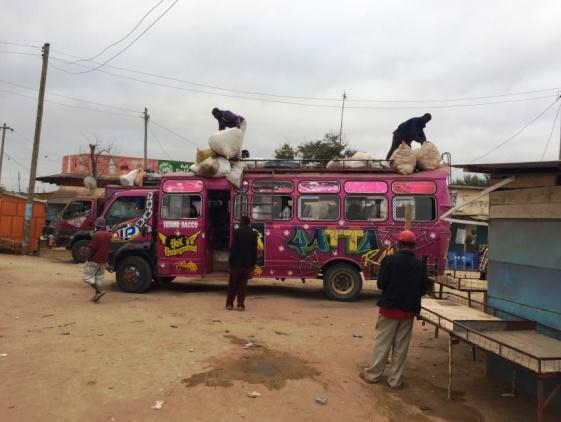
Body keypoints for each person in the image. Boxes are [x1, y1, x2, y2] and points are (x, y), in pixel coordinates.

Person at [359, 230, 427, 388]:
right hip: (408, 311)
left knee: (382, 343)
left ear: (398, 244)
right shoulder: (420, 266)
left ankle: (373, 375)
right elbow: (422, 290)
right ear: (413, 246)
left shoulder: (389, 261)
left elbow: (381, 284)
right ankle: (395, 381)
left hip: (389, 309)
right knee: (401, 347)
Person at [226, 215, 258, 311]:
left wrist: (230, 262)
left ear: (241, 222)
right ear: (249, 223)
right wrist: (252, 266)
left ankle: (230, 304)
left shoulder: (236, 232)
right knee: (242, 286)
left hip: (236, 264)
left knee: (232, 285)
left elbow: (233, 249)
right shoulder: (253, 234)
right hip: (247, 264)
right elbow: (254, 251)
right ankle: (240, 305)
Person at [82, 217, 112, 302]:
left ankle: (99, 291)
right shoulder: (108, 235)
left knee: (87, 278)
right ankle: (96, 296)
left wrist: (88, 257)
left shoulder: (97, 234)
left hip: (94, 260)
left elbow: (92, 248)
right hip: (103, 261)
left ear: (97, 225)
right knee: (98, 278)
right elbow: (109, 249)